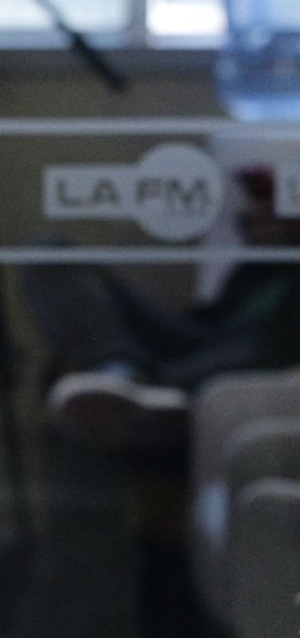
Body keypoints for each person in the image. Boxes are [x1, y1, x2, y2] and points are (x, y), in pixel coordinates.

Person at [25, 166, 300, 449]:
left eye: (271, 204)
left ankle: (140, 396)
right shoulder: (259, 265)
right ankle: (118, 372)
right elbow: (207, 320)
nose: (255, 213)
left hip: (263, 353)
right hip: (197, 339)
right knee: (51, 251)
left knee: (259, 351)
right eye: (256, 204)